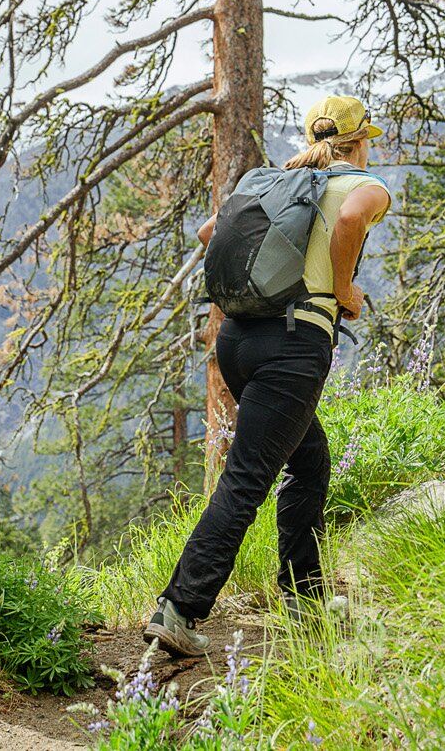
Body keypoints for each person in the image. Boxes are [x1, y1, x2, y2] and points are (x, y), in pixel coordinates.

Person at [143, 95, 392, 657]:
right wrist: (345, 287)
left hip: (235, 340)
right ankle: (180, 609)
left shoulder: (276, 182)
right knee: (247, 478)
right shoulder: (364, 185)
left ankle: (302, 591)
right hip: (294, 346)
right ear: (359, 141)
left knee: (309, 458)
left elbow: (211, 233)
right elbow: (351, 219)